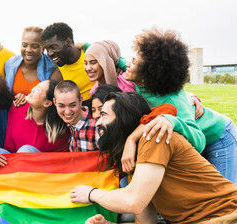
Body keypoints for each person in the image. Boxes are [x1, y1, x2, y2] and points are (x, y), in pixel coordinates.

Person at [70, 92, 237, 224]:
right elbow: (146, 222)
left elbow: (133, 201)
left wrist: (91, 193)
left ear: (123, 119)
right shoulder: (133, 160)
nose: (97, 122)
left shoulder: (154, 138)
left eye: (104, 115)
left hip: (225, 216)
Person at [124, 27, 237, 184]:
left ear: (148, 72)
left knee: (227, 197)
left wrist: (171, 120)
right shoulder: (138, 78)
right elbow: (116, 59)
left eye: (134, 62)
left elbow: (198, 139)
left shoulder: (173, 101)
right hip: (201, 137)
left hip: (220, 137)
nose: (128, 64)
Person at [2, 80, 70, 153]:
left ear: (47, 103)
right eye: (36, 86)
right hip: (11, 160)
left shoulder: (59, 132)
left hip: (35, 162)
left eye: (38, 90)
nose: (33, 89)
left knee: (26, 150)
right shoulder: (17, 107)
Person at [5, 26, 63, 107]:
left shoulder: (53, 71)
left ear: (43, 48)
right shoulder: (10, 64)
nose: (28, 50)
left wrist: (27, 99)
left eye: (34, 46)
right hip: (13, 115)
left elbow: (54, 105)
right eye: (24, 45)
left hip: (38, 118)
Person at [41, 22, 95, 108]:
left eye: (53, 47)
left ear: (68, 42)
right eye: (47, 49)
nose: (49, 53)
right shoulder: (57, 76)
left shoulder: (91, 54)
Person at [53, 80, 99, 152]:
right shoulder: (65, 124)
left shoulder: (96, 126)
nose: (67, 112)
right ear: (54, 102)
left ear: (80, 101)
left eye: (72, 105)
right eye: (61, 106)